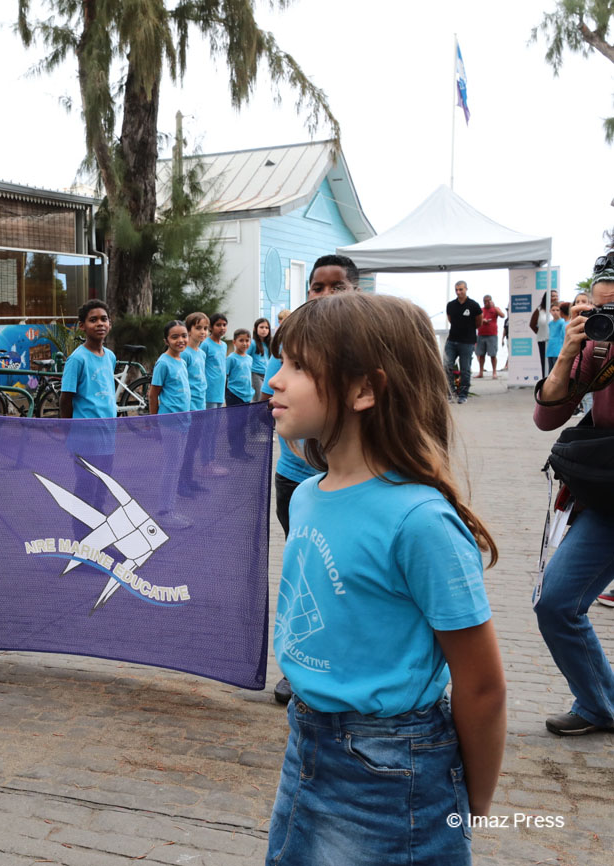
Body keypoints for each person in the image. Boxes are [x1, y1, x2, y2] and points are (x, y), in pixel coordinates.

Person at [264, 292, 505, 864]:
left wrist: (472, 804)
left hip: (395, 767)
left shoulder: (420, 521)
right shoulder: (304, 496)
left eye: (298, 366)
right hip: (308, 743)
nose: (274, 380)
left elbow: (483, 685)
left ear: (364, 390)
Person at [264, 254, 359, 704]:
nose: (322, 296)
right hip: (296, 480)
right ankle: (298, 662)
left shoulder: (365, 350)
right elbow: (273, 406)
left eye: (334, 288)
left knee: (346, 575)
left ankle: (344, 658)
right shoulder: (291, 346)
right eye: (315, 288)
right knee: (305, 569)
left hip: (351, 484)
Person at [532, 265, 614, 736]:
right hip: (607, 496)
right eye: (597, 308)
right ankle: (599, 703)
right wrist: (569, 351)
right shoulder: (597, 349)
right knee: (556, 602)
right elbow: (547, 417)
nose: (605, 317)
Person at [59, 300, 117, 419]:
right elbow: (65, 399)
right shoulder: (77, 359)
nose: (100, 323)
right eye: (93, 320)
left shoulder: (111, 356)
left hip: (108, 429)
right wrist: (68, 430)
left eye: (104, 319)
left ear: (109, 324)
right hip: (84, 432)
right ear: (82, 325)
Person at [444, 280, 482, 404]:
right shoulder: (450, 305)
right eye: (456, 290)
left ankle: (463, 394)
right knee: (447, 366)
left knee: (465, 369)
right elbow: (450, 319)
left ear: (466, 289)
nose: (458, 292)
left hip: (467, 342)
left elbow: (479, 323)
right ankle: (450, 392)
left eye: (461, 289)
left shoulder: (474, 305)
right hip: (452, 341)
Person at [149, 319, 190, 415]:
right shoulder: (163, 363)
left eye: (184, 336)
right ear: (166, 341)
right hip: (168, 419)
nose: (180, 340)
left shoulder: (183, 362)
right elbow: (153, 395)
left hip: (184, 418)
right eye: (175, 337)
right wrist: (154, 421)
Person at [182, 312, 209, 411]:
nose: (203, 332)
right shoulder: (184, 353)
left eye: (205, 328)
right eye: (198, 328)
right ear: (188, 330)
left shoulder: (202, 353)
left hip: (201, 400)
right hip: (189, 402)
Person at [201, 313, 228, 408]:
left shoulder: (224, 345)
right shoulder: (205, 344)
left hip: (220, 389)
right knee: (209, 420)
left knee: (217, 420)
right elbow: (200, 366)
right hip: (209, 390)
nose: (222, 328)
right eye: (218, 325)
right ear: (211, 327)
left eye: (224, 325)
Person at [475, 294, 505, 378]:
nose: (486, 303)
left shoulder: (495, 309)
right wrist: (483, 320)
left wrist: (494, 307)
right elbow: (476, 319)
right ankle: (481, 372)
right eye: (485, 301)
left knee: (493, 354)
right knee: (481, 355)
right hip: (481, 335)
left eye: (488, 301)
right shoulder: (481, 310)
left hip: (492, 335)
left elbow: (502, 315)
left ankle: (494, 372)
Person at [531, 288, 561, 371]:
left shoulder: (560, 308)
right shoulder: (540, 309)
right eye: (553, 296)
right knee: (545, 364)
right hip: (543, 341)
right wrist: (541, 332)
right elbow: (532, 325)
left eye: (556, 296)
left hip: (557, 342)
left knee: (556, 364)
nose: (555, 297)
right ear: (547, 297)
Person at [224, 328, 254, 406]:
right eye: (241, 340)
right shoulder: (231, 358)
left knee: (245, 417)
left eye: (247, 340)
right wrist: (227, 394)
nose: (244, 343)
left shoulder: (250, 358)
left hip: (247, 395)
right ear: (234, 342)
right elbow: (225, 376)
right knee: (234, 417)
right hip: (234, 394)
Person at [250, 317, 272, 395]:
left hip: (266, 374)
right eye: (261, 327)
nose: (264, 330)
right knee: (258, 398)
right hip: (255, 374)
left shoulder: (269, 344)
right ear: (255, 329)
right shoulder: (252, 343)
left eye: (266, 328)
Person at [545, 301, 566, 375]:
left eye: (557, 310)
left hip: (558, 349)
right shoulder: (550, 323)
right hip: (550, 349)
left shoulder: (562, 322)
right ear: (550, 311)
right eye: (553, 310)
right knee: (550, 371)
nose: (555, 312)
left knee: (556, 371)